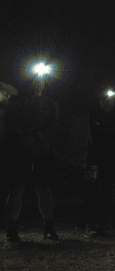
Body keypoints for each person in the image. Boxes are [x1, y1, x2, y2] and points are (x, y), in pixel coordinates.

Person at [4, 77, 60, 243]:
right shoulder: (16, 101)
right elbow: (9, 122)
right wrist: (23, 137)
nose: (38, 83)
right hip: (19, 151)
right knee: (16, 188)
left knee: (44, 189)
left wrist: (37, 136)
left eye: (41, 80)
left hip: (42, 152)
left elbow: (54, 124)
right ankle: (11, 228)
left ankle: (49, 226)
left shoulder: (51, 103)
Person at [83, 86, 115, 238]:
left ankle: (100, 224)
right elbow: (95, 135)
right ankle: (88, 224)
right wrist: (110, 132)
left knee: (106, 191)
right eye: (106, 98)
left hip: (112, 160)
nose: (109, 101)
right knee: (91, 191)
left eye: (112, 99)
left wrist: (107, 131)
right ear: (100, 100)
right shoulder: (94, 113)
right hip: (94, 159)